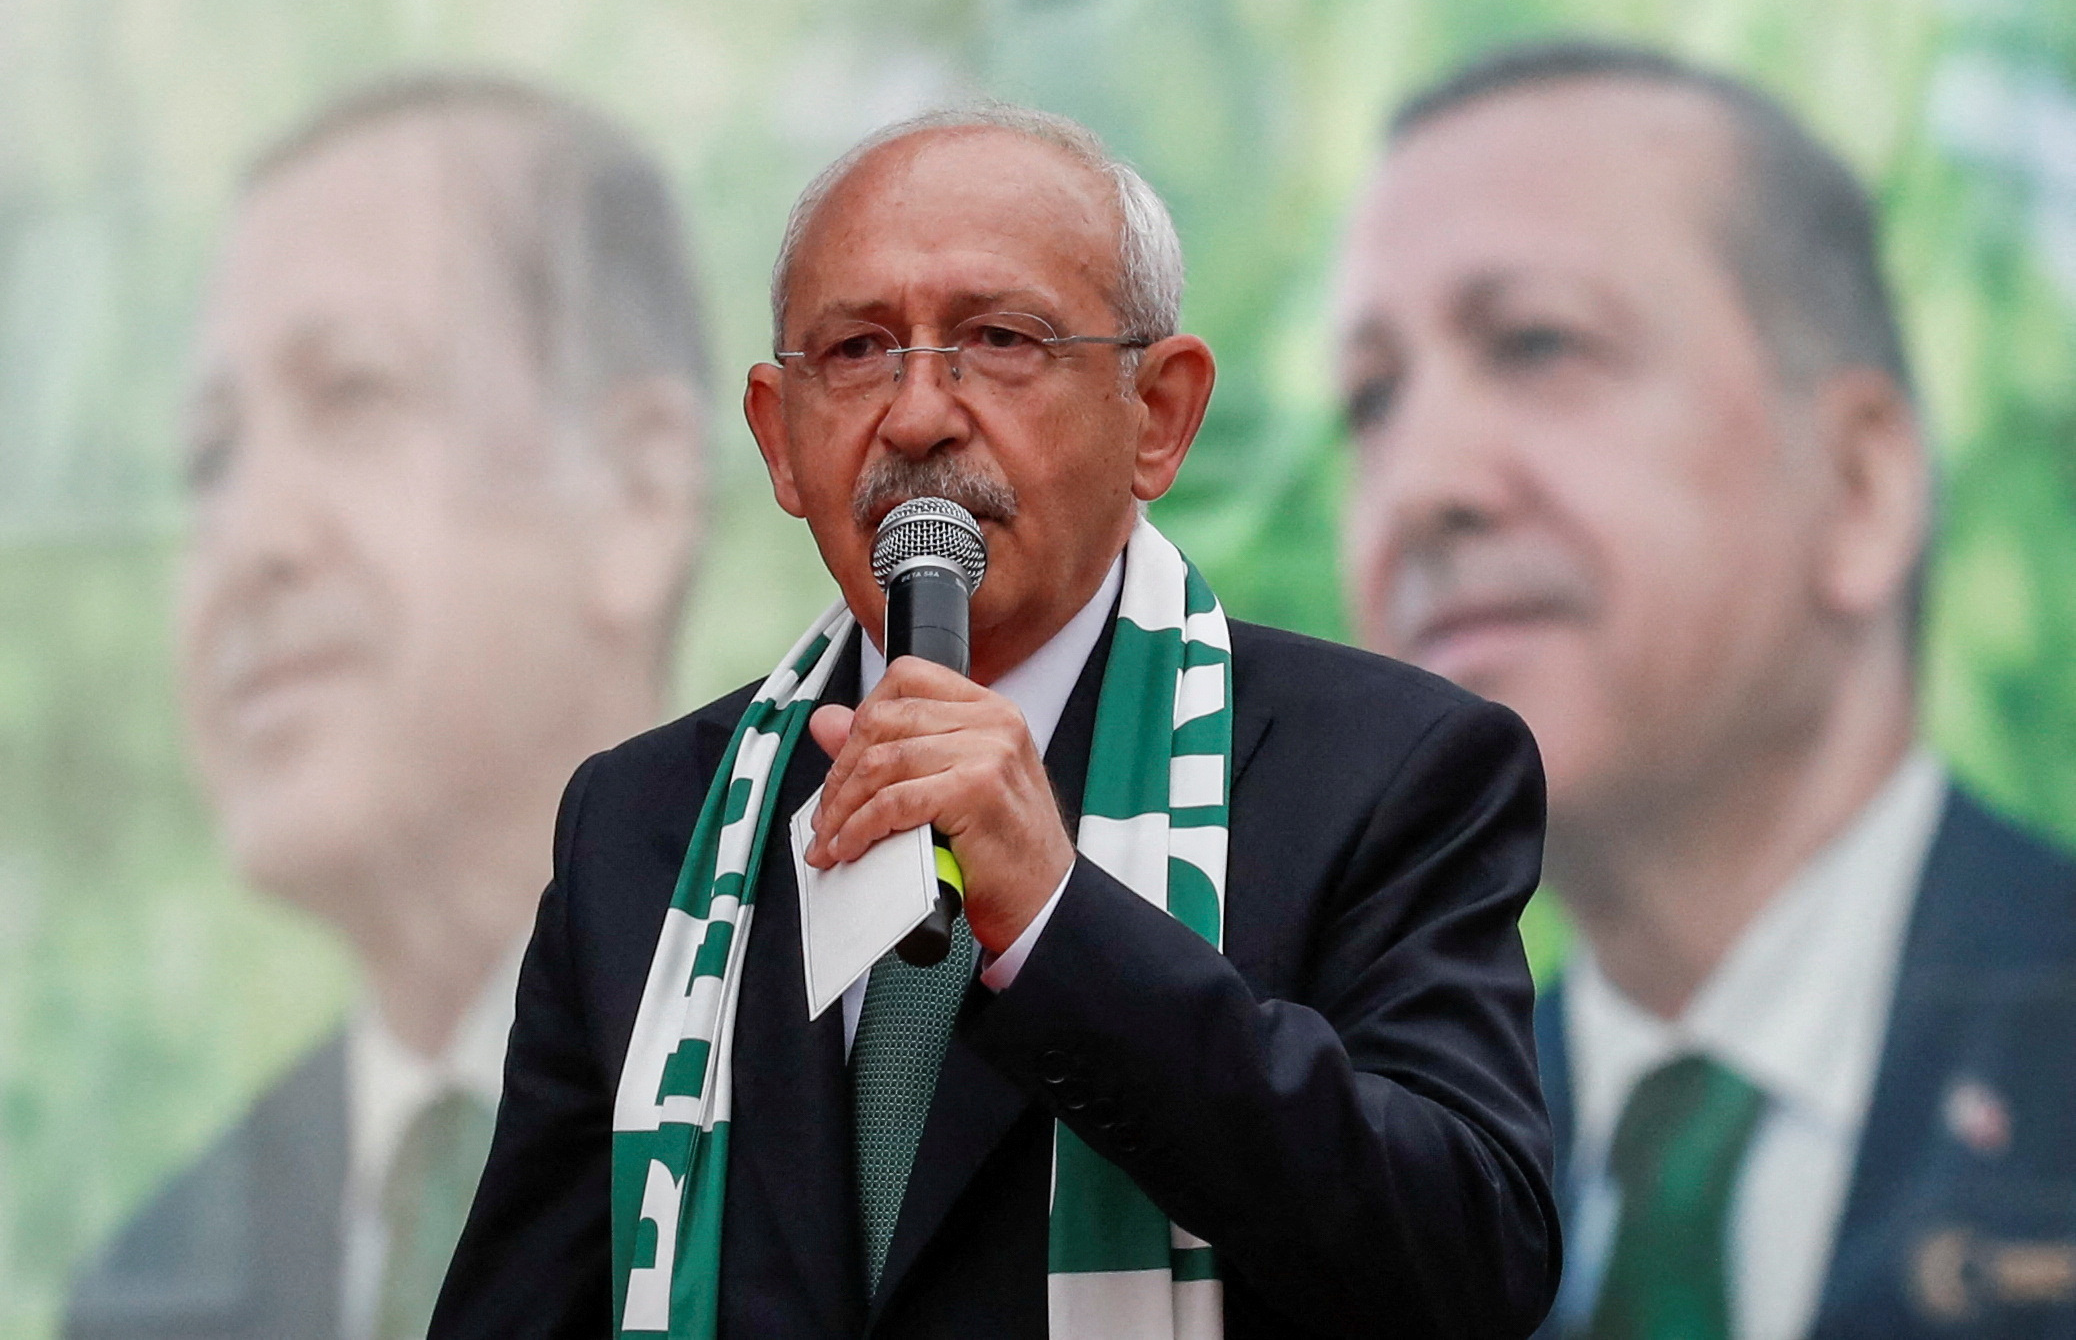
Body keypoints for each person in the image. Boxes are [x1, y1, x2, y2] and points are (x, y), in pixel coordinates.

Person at [432, 103, 1560, 1339]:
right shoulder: (645, 822)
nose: (919, 414)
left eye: (1000, 339)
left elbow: (1469, 1262)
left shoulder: (1386, 771)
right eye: (858, 349)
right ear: (779, 438)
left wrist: (1059, 925)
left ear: (1160, 414)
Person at [1338, 40, 2076, 1339]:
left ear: (1859, 486)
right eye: (1370, 402)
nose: (1419, 483)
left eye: (1538, 341)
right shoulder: (1370, 1200)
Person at [65, 76, 710, 1340]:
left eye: (353, 393)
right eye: (209, 457)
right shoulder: (143, 1292)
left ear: (640, 490)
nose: (247, 538)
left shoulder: (900, 1107)